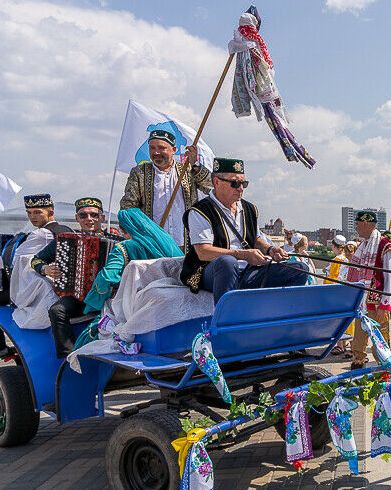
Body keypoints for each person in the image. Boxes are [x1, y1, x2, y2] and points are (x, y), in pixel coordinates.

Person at [179, 157, 311, 300]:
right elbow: (203, 252)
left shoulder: (250, 208)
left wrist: (269, 249)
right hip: (212, 271)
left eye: (243, 183)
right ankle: (228, 318)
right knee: (227, 262)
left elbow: (254, 239)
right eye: (235, 183)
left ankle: (281, 314)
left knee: (299, 269)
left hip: (248, 270)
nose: (240, 188)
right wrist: (244, 255)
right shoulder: (200, 211)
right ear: (216, 182)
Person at [0, 194, 69, 363]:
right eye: (29, 213)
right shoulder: (66, 230)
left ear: (51, 211)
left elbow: (14, 259)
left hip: (42, 290)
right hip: (62, 287)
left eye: (37, 212)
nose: (32, 217)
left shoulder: (41, 234)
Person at [74, 208, 183, 348]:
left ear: (123, 229)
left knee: (90, 333)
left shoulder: (124, 247)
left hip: (134, 305)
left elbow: (108, 277)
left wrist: (93, 301)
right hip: (168, 300)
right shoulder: (167, 242)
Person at [30, 197, 114, 357]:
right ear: (77, 218)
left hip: (108, 298)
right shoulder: (65, 240)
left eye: (94, 215)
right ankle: (67, 356)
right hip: (78, 296)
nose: (89, 219)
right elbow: (36, 260)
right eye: (83, 215)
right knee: (56, 311)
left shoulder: (117, 241)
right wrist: (45, 269)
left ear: (102, 218)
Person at [119, 130, 212, 249]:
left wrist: (196, 165)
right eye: (152, 148)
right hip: (154, 244)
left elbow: (211, 187)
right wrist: (139, 234)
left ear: (174, 150)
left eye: (161, 148)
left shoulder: (188, 169)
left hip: (185, 242)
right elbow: (128, 207)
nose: (156, 152)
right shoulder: (139, 172)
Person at [347, 211, 391, 367]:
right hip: (362, 302)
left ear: (365, 224)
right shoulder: (363, 246)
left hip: (378, 305)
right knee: (358, 342)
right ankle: (357, 367)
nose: (356, 228)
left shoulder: (385, 247)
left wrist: (385, 305)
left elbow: (390, 279)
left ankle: (385, 374)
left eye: (357, 224)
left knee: (380, 343)